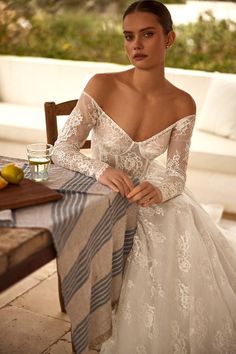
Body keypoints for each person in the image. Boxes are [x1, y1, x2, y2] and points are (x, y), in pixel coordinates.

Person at [53, 1, 236, 352]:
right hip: (99, 190)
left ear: (169, 39)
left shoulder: (183, 103)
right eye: (129, 36)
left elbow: (177, 174)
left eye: (147, 34)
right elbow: (62, 149)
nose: (135, 45)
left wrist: (160, 190)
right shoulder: (102, 85)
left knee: (175, 229)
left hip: (145, 194)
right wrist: (102, 169)